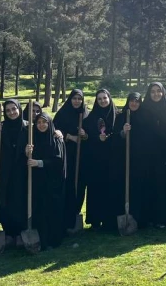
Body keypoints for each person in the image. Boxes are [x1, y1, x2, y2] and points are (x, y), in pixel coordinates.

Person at [23, 112, 66, 249]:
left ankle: (53, 240)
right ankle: (40, 239)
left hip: (52, 183)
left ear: (49, 123)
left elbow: (58, 161)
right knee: (39, 210)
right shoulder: (32, 139)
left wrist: (39, 163)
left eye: (44, 122)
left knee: (51, 211)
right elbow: (26, 161)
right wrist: (26, 152)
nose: (41, 125)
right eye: (39, 122)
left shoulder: (55, 139)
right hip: (36, 182)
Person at [141, 82, 166, 227]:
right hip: (148, 154)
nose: (156, 94)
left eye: (158, 91)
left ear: (163, 93)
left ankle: (165, 217)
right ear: (149, 94)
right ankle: (150, 218)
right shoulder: (144, 110)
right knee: (150, 185)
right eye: (153, 92)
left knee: (165, 185)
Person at [113, 93, 153, 226]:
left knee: (141, 186)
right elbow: (114, 137)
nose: (134, 104)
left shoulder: (146, 117)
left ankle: (142, 218)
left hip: (141, 159)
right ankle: (126, 216)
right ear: (128, 102)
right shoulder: (121, 117)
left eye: (137, 101)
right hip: (124, 159)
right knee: (126, 186)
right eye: (132, 101)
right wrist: (123, 132)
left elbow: (150, 137)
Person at [54, 89, 89, 232]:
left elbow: (91, 132)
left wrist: (84, 135)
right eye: (74, 98)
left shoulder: (86, 114)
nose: (77, 101)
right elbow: (54, 129)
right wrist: (69, 136)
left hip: (82, 156)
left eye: (79, 99)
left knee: (79, 184)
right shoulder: (62, 113)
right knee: (67, 183)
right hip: (66, 155)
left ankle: (75, 213)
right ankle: (65, 216)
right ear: (70, 99)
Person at [0, 99, 28, 243]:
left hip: (23, 170)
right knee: (6, 200)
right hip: (5, 171)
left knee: (21, 200)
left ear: (19, 109)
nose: (11, 112)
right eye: (8, 110)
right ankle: (9, 232)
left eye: (14, 109)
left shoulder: (27, 127)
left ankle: (21, 232)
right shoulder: (0, 128)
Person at [82, 89, 117, 230]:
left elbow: (119, 135)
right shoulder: (90, 118)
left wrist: (110, 137)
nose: (102, 101)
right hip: (95, 159)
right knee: (96, 188)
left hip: (113, 159)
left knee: (111, 188)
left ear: (109, 98)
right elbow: (87, 137)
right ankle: (96, 219)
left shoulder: (117, 116)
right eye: (100, 99)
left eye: (105, 98)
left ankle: (109, 219)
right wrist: (97, 138)